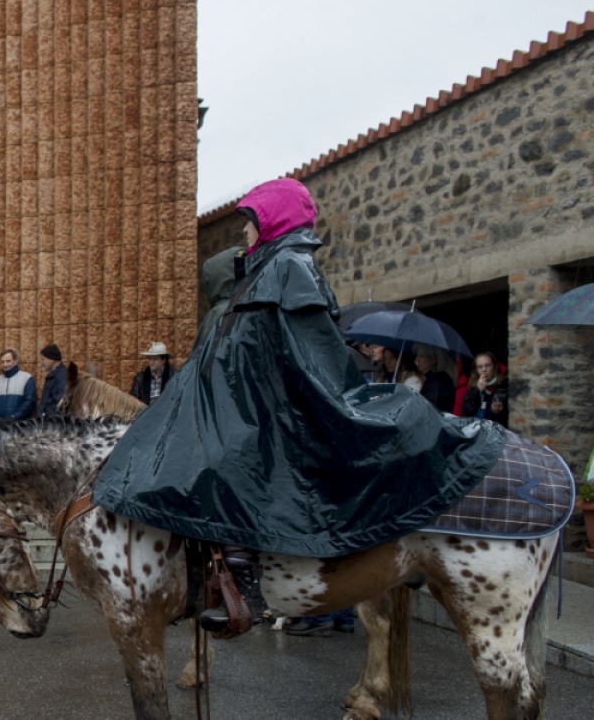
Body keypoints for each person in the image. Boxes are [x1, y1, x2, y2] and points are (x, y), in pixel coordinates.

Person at [92, 178, 504, 637]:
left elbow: (310, 357)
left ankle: (243, 584)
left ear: (273, 220)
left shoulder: (289, 266)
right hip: (251, 405)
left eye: (250, 221)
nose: (243, 232)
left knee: (229, 459)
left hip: (277, 410)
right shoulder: (265, 270)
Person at [0, 349, 36, 428]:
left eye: (8, 361)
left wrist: (14, 417)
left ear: (16, 361)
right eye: (2, 362)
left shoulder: (26, 378)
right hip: (0, 427)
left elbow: (30, 402)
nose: (5, 364)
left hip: (20, 427)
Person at [462, 352, 509, 427]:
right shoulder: (473, 386)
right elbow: (466, 410)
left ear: (494, 367)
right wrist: (477, 390)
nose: (484, 369)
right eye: (480, 367)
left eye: (488, 365)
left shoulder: (503, 385)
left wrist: (497, 411)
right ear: (476, 370)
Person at [415, 344, 457, 413]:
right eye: (417, 355)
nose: (417, 360)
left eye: (422, 356)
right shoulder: (438, 378)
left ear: (434, 359)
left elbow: (426, 409)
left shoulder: (435, 382)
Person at [36, 344, 67, 417]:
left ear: (51, 359)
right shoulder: (53, 374)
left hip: (52, 421)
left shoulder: (62, 376)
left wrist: (46, 416)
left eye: (43, 359)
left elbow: (58, 402)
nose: (42, 363)